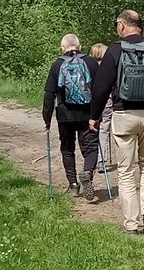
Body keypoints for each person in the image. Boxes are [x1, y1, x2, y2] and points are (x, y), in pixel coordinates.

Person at [89, 10, 144, 235]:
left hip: (124, 113)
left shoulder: (115, 50)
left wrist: (94, 116)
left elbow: (100, 87)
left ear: (122, 26)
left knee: (126, 171)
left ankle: (131, 223)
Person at [44, 34, 101, 199]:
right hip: (88, 114)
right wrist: (98, 113)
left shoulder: (57, 65)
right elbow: (100, 90)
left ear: (63, 48)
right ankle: (88, 173)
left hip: (65, 114)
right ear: (79, 46)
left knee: (67, 149)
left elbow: (49, 94)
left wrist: (46, 119)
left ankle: (73, 185)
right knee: (90, 147)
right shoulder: (91, 63)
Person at [89, 43, 112, 175]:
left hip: (93, 100)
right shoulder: (107, 66)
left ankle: (96, 159)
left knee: (95, 129)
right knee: (105, 129)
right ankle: (103, 161)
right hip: (108, 100)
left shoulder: (89, 66)